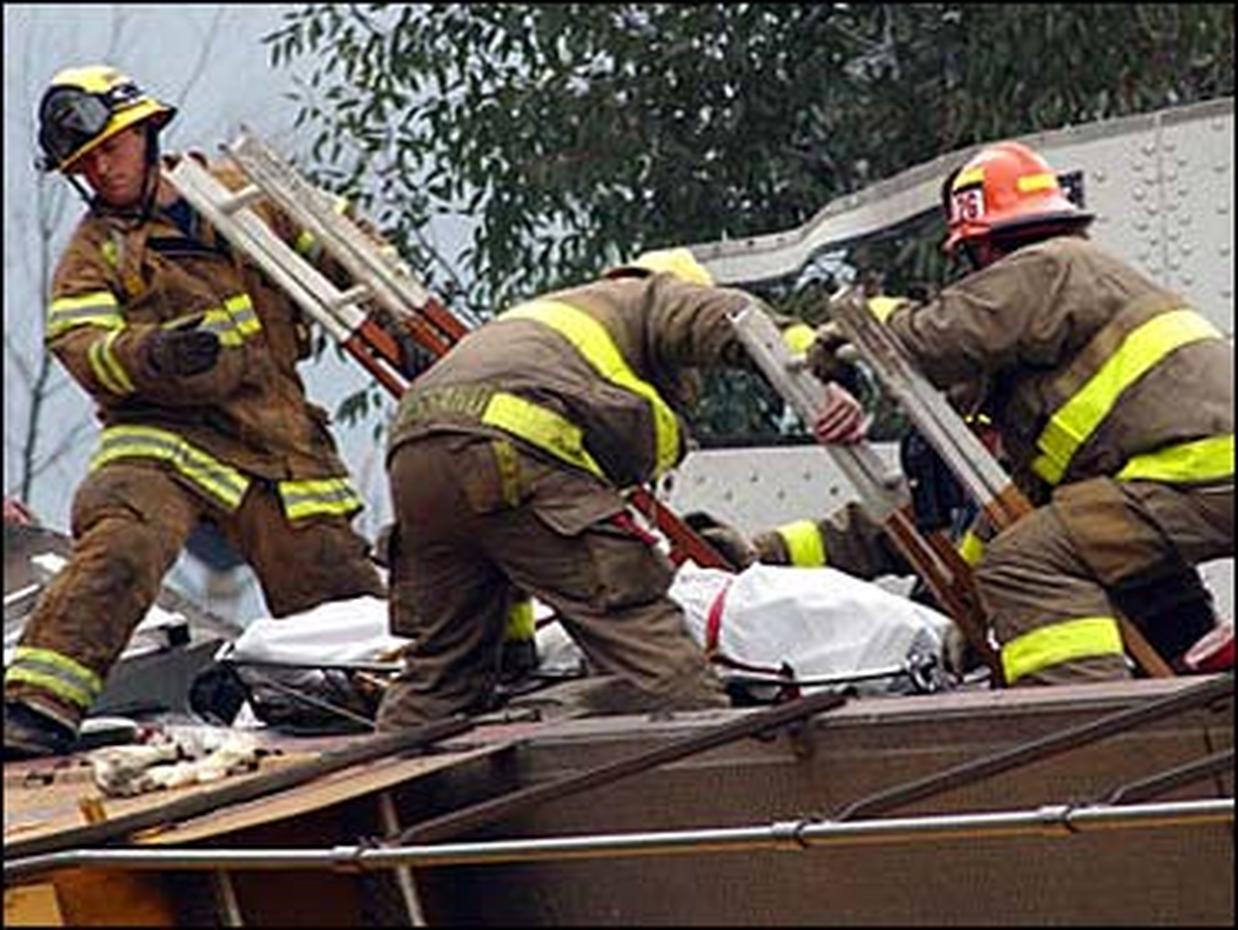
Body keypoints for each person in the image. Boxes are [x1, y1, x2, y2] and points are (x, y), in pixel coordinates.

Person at [4, 64, 385, 759]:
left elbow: (349, 249)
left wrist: (391, 313)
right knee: (121, 539)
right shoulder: (94, 254)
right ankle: (34, 707)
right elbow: (80, 344)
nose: (97, 172)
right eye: (82, 164)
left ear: (147, 133)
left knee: (341, 604)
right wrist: (152, 354)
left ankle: (358, 697)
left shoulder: (246, 200)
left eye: (106, 151)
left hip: (277, 439)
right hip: (161, 438)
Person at [810, 140, 1233, 685]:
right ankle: (1184, 688)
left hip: (1195, 473)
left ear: (982, 249)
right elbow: (1021, 498)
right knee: (1090, 542)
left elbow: (930, 341)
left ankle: (1083, 734)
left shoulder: (1047, 266)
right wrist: (967, 597)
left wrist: (864, 319)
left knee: (1025, 561)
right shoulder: (1074, 295)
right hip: (1189, 474)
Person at [375, 247, 818, 728]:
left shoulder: (544, 326)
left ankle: (380, 788)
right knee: (649, 646)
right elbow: (725, 314)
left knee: (441, 671)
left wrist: (517, 655)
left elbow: (509, 547)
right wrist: (808, 358)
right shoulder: (646, 296)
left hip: (416, 456)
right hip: (513, 448)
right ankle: (714, 777)